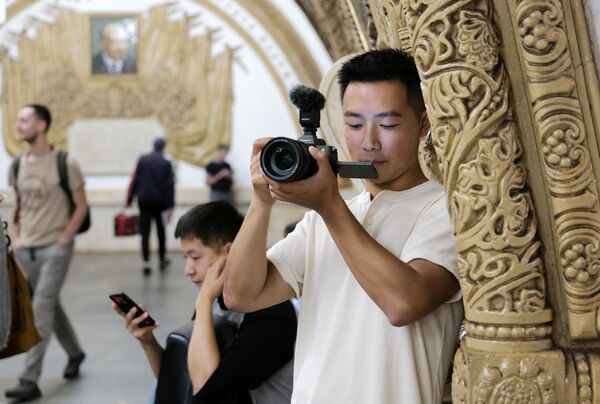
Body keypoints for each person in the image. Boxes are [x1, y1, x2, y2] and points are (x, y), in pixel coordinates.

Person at [224, 49, 463, 404]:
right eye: (353, 124)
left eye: (388, 124)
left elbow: (403, 303)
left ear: (423, 124)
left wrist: (329, 205)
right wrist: (262, 202)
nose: (368, 142)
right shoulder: (325, 217)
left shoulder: (444, 209)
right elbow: (241, 295)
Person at [112, 201, 296, 403]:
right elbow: (180, 381)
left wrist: (204, 302)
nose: (188, 270)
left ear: (228, 253)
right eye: (185, 258)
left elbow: (206, 391)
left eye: (195, 257)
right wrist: (147, 341)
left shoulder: (272, 312)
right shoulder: (216, 300)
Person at [5, 104, 88, 402]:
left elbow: (81, 205)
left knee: (39, 308)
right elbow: (17, 205)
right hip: (26, 248)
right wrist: (16, 238)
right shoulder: (16, 165)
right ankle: (76, 353)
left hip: (56, 247)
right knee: (51, 305)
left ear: (41, 126)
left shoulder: (65, 162)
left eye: (24, 120)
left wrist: (66, 236)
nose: (18, 125)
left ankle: (29, 379)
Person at [127, 137, 175, 275]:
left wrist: (129, 200)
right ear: (163, 147)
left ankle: (146, 262)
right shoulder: (166, 162)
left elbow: (135, 180)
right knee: (161, 231)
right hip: (160, 202)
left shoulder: (143, 159)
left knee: (145, 232)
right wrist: (170, 205)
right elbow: (169, 185)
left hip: (144, 200)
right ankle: (161, 259)